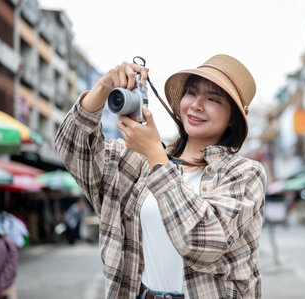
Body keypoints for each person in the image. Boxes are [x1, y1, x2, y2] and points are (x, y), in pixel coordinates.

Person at [55, 54, 267, 298]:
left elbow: (202, 242)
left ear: (234, 117)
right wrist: (104, 87)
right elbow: (71, 146)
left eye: (213, 99)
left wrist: (156, 154)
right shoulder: (137, 162)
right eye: (191, 93)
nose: (196, 105)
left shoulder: (245, 173)